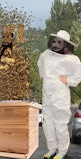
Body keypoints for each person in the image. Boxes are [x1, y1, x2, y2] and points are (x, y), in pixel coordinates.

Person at [37, 30, 81, 159]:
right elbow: (40, 65)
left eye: (59, 42)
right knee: (48, 124)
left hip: (60, 96)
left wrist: (68, 81)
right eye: (54, 41)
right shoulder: (45, 55)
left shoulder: (72, 59)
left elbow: (78, 74)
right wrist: (43, 77)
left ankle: (62, 151)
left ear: (66, 45)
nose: (56, 44)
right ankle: (52, 149)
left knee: (60, 125)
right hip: (47, 96)